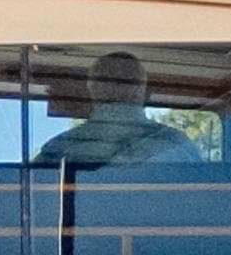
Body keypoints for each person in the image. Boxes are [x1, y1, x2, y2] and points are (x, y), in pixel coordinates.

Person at [32, 51, 197, 172]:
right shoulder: (177, 145)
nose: (117, 85)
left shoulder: (58, 150)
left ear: (91, 89)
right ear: (146, 92)